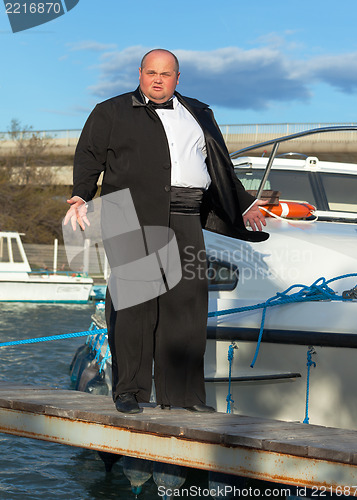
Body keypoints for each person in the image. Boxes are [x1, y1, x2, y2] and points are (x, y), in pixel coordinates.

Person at [64, 48, 268, 414]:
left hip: (186, 213)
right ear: (140, 73)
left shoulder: (199, 112)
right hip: (129, 213)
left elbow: (218, 164)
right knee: (136, 306)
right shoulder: (109, 111)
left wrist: (244, 202)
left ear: (178, 78)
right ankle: (130, 392)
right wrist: (81, 195)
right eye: (151, 72)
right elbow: (89, 157)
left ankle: (185, 397)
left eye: (166, 73)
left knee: (187, 306)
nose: (158, 79)